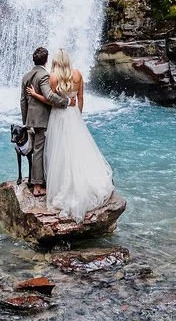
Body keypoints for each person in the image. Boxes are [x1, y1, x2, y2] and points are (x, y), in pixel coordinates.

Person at [32, 47, 115, 222]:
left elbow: (51, 100)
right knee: (77, 149)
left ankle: (63, 184)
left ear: (56, 61)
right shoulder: (77, 74)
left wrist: (34, 95)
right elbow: (81, 97)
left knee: (59, 150)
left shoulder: (53, 78)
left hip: (59, 116)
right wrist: (78, 114)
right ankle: (83, 181)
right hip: (74, 115)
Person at [19, 46, 67, 197]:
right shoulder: (44, 76)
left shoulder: (26, 76)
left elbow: (22, 101)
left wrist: (26, 121)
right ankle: (38, 185)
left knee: (37, 150)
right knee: (39, 151)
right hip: (42, 119)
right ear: (46, 61)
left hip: (31, 119)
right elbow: (49, 96)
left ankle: (40, 180)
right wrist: (64, 102)